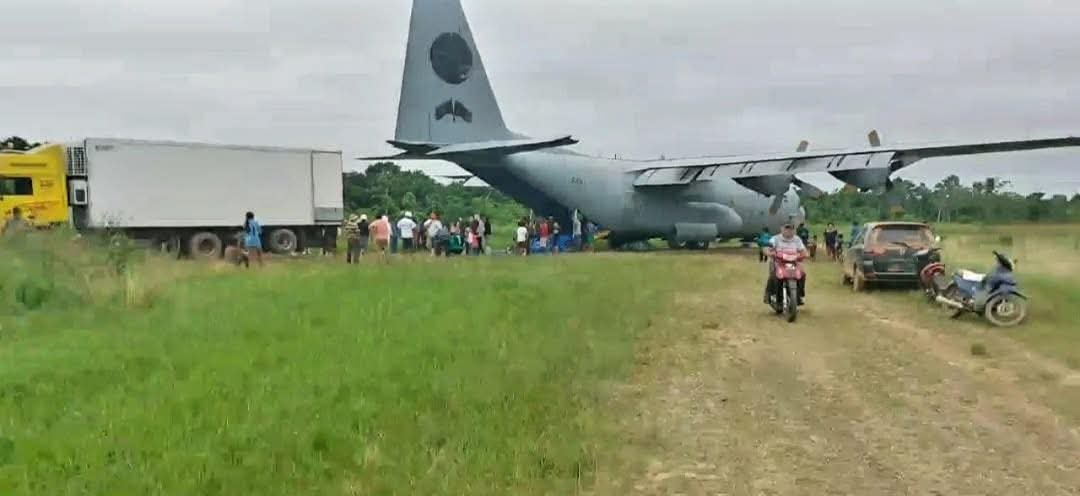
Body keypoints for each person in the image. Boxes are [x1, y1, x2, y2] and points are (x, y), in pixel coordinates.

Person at [764, 223, 809, 305]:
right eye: (786, 228)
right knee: (773, 275)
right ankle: (770, 295)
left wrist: (805, 254)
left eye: (791, 229)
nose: (789, 230)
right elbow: (767, 249)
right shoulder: (775, 238)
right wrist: (770, 253)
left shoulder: (797, 239)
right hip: (778, 262)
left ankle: (800, 296)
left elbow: (803, 250)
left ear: (794, 230)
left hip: (794, 262)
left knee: (802, 274)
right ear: (782, 229)